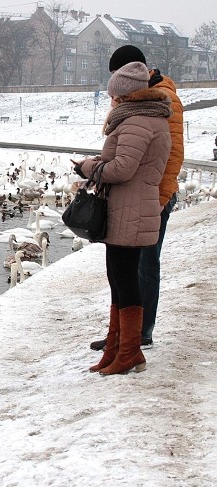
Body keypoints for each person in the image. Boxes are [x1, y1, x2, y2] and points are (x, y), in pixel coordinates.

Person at [77, 61, 171, 375]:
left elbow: (122, 169)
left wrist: (87, 167)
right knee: (118, 280)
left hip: (129, 213)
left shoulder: (137, 122)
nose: (112, 100)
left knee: (125, 281)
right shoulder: (147, 119)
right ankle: (119, 349)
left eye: (114, 95)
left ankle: (129, 352)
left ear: (125, 95)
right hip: (128, 210)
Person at [90, 45, 184, 352]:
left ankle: (140, 334)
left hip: (151, 197)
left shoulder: (161, 99)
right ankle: (121, 336)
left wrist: (158, 199)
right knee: (122, 269)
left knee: (143, 265)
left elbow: (171, 155)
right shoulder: (136, 98)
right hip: (133, 196)